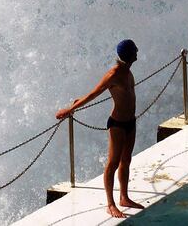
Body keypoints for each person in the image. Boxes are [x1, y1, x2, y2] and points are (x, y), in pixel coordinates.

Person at [55, 39, 145, 218]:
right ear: (128, 55)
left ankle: (124, 197)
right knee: (113, 163)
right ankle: (110, 204)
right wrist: (70, 109)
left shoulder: (128, 72)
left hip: (130, 122)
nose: (137, 52)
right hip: (117, 124)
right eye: (135, 50)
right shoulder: (113, 74)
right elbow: (93, 94)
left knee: (126, 160)